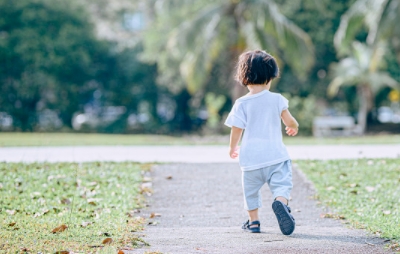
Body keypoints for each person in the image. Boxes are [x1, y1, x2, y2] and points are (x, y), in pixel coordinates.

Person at [224, 50, 299, 235]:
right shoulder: (277, 99)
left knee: (250, 192)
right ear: (270, 77)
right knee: (282, 185)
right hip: (275, 156)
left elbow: (236, 129)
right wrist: (294, 127)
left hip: (251, 159)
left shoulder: (241, 103)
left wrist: (232, 147)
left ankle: (254, 222)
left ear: (244, 77)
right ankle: (280, 203)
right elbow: (290, 121)